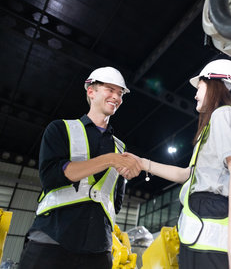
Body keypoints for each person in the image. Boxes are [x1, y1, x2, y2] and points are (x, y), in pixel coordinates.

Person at [123, 59, 231, 269]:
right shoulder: (214, 124)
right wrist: (143, 163)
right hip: (202, 238)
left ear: (214, 84)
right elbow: (187, 175)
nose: (195, 94)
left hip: (214, 244)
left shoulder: (224, 114)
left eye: (199, 87)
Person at [18, 66, 141, 269]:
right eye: (110, 90)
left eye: (120, 93)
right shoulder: (61, 129)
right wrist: (109, 159)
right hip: (52, 239)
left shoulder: (121, 148)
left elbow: (115, 201)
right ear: (91, 91)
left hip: (98, 250)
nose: (116, 97)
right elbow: (51, 177)